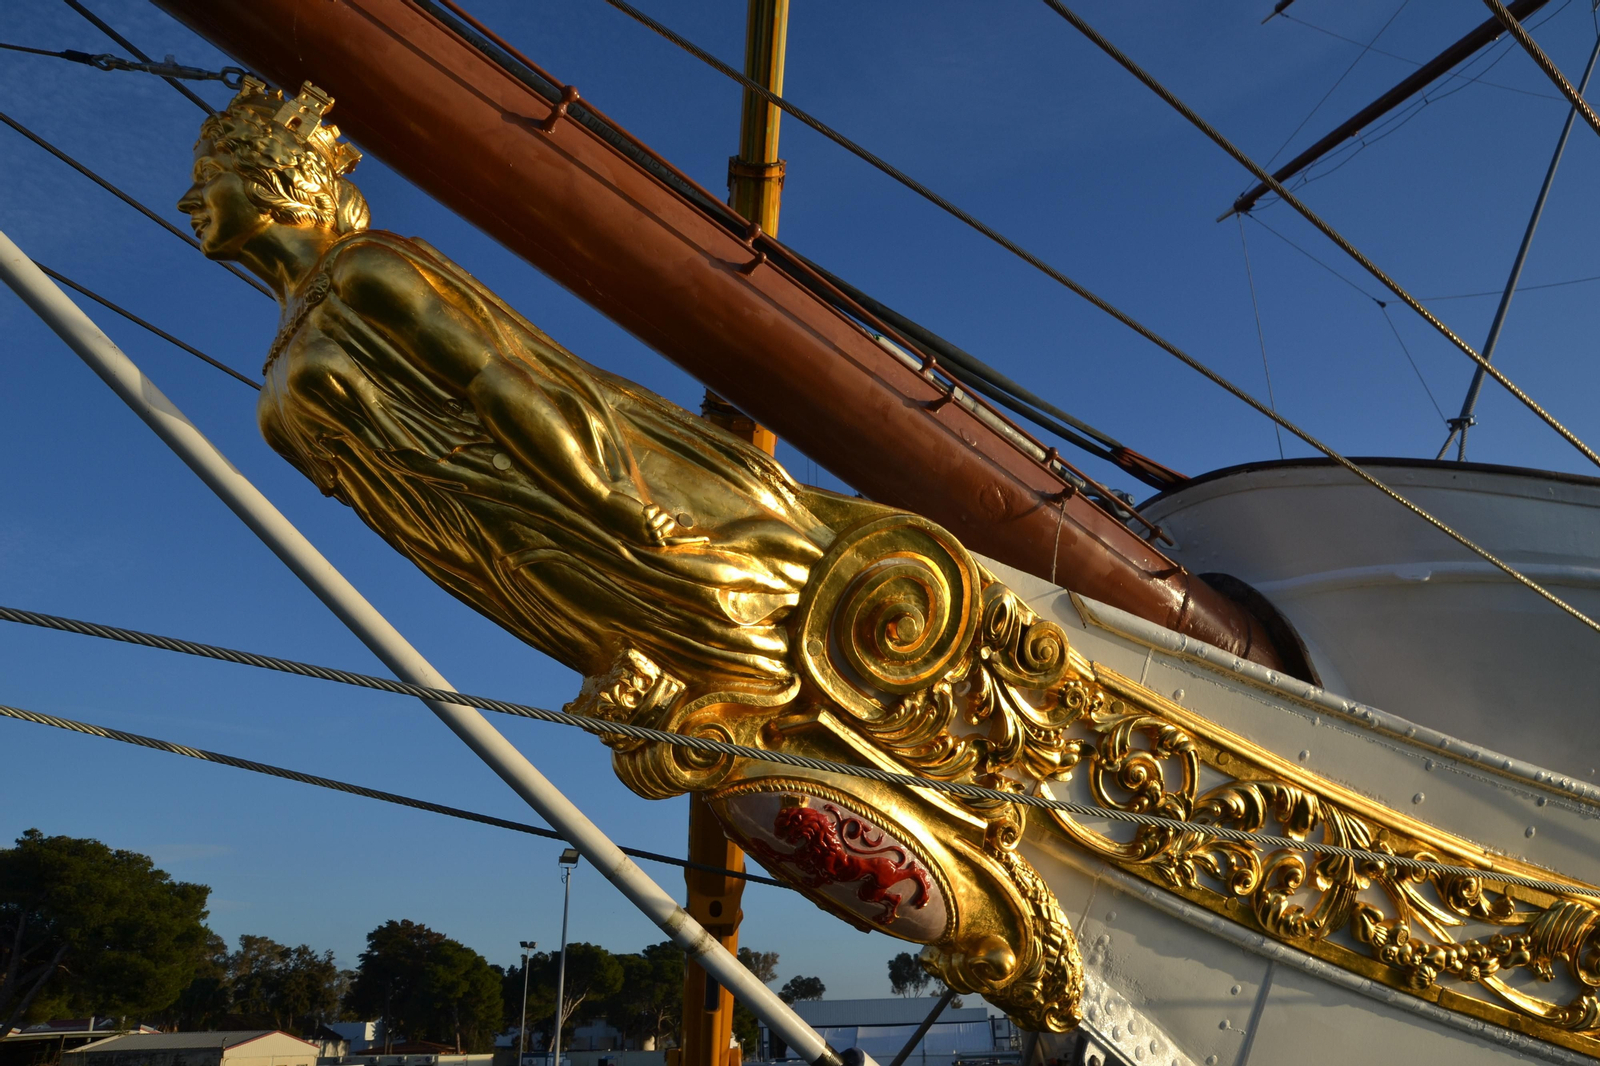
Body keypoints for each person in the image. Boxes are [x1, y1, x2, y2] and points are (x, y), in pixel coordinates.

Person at [178, 78, 843, 687]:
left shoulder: (362, 271)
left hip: (551, 497)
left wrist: (606, 495)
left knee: (739, 615)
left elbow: (495, 375)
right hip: (479, 548)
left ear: (272, 176)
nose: (189, 201)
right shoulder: (287, 336)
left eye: (207, 177)